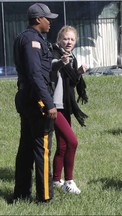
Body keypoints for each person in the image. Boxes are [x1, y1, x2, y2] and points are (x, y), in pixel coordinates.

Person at [13, 3, 58, 203]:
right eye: (48, 18)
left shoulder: (27, 38)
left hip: (26, 97)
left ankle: (21, 194)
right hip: (36, 99)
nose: (50, 22)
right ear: (38, 19)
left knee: (26, 148)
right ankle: (45, 197)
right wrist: (49, 103)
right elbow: (35, 74)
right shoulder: (32, 40)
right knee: (42, 148)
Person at [50, 25, 88, 194]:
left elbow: (71, 83)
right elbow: (52, 69)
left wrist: (78, 73)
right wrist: (61, 63)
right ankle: (69, 182)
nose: (68, 42)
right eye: (65, 38)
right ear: (59, 39)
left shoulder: (72, 57)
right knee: (73, 142)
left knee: (63, 145)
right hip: (54, 107)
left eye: (72, 39)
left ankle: (57, 180)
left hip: (66, 106)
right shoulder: (54, 53)